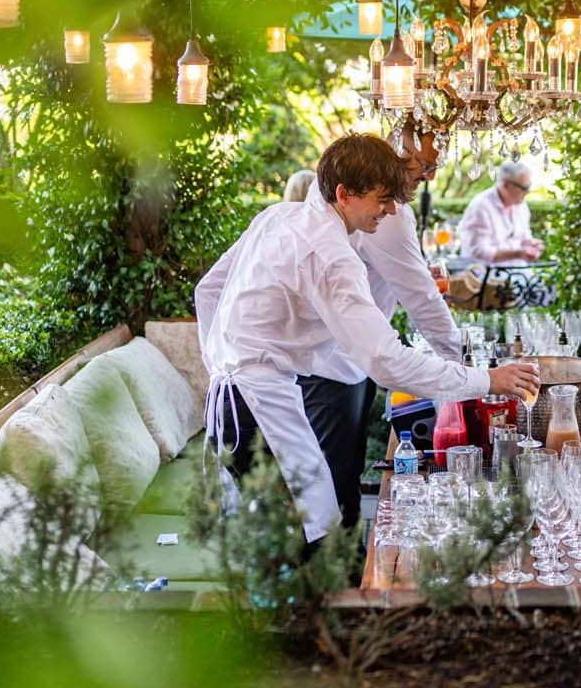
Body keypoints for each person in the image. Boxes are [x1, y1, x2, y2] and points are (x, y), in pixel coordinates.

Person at [194, 133, 540, 544]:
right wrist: (487, 380)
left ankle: (323, 600)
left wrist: (223, 365)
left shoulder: (278, 216)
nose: (391, 209)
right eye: (382, 199)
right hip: (257, 409)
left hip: (243, 402)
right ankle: (322, 606)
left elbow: (207, 290)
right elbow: (386, 361)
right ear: (344, 194)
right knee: (305, 538)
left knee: (310, 526)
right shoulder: (333, 256)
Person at [296, 117, 465, 529]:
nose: (428, 176)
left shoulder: (381, 207)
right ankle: (338, 580)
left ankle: (349, 567)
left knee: (345, 471)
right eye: (420, 165)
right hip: (329, 364)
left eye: (433, 166)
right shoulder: (388, 215)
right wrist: (460, 364)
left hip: (347, 358)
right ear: (396, 151)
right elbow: (421, 296)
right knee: (331, 482)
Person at [457, 161, 544, 264]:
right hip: (485, 276)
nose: (528, 192)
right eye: (524, 188)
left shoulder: (521, 205)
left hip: (518, 273)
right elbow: (478, 251)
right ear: (505, 185)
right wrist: (517, 254)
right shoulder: (481, 206)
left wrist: (531, 244)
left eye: (529, 187)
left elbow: (523, 238)